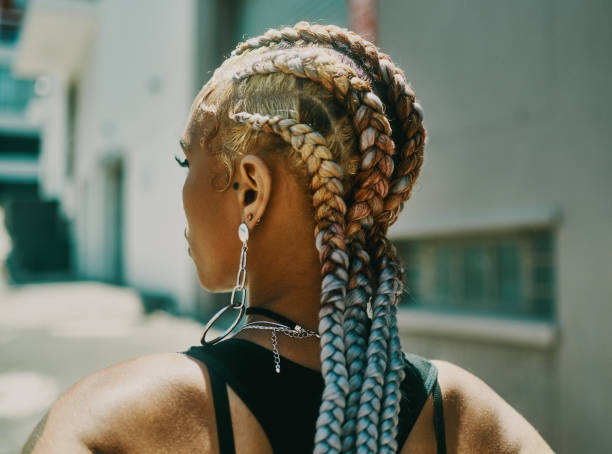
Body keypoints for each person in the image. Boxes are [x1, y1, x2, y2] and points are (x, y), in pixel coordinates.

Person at [22, 22, 554, 454]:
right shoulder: (464, 417)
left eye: (187, 159)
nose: (180, 188)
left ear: (251, 190)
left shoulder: (115, 421)